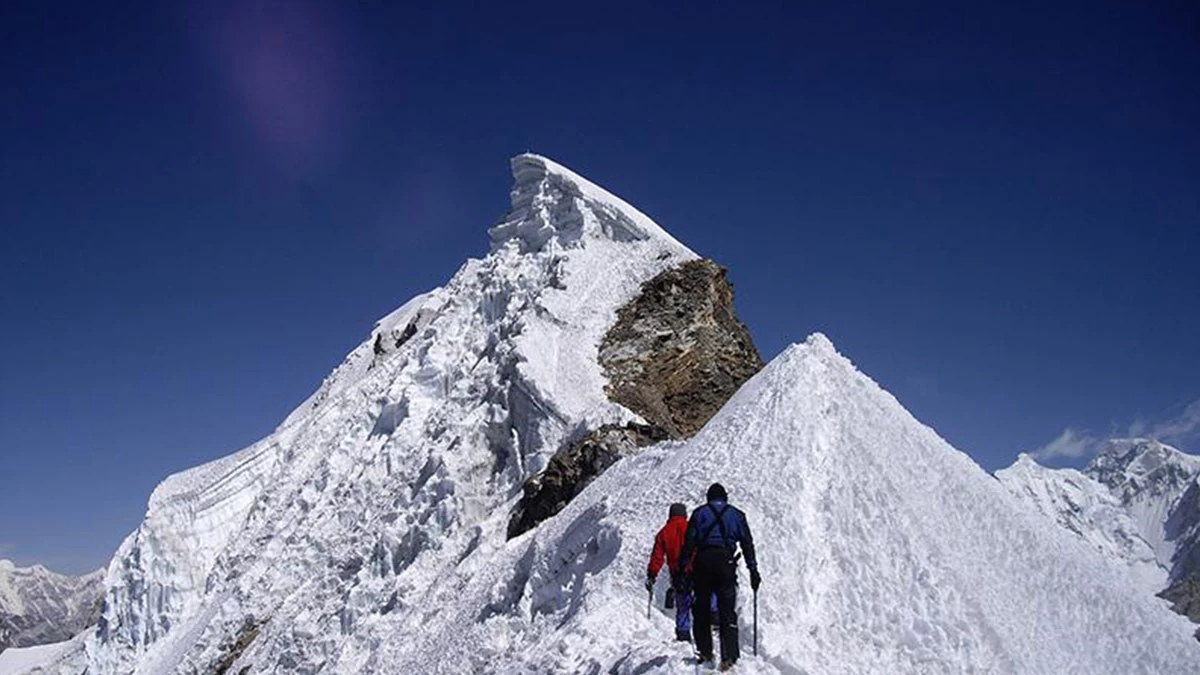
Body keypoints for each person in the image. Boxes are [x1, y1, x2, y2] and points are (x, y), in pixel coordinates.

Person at [680, 483, 760, 670]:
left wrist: (683, 569)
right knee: (727, 610)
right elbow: (747, 544)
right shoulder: (737, 515)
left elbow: (689, 543)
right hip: (726, 564)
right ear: (725, 497)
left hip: (703, 563)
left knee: (701, 608)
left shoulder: (699, 513)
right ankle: (729, 656)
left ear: (709, 497)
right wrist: (753, 570)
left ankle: (706, 651)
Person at [646, 502, 693, 641]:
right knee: (700, 601)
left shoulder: (664, 532)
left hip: (678, 574)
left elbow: (657, 557)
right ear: (684, 514)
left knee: (683, 605)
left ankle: (683, 635)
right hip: (696, 571)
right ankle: (706, 632)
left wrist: (652, 574)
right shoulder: (691, 527)